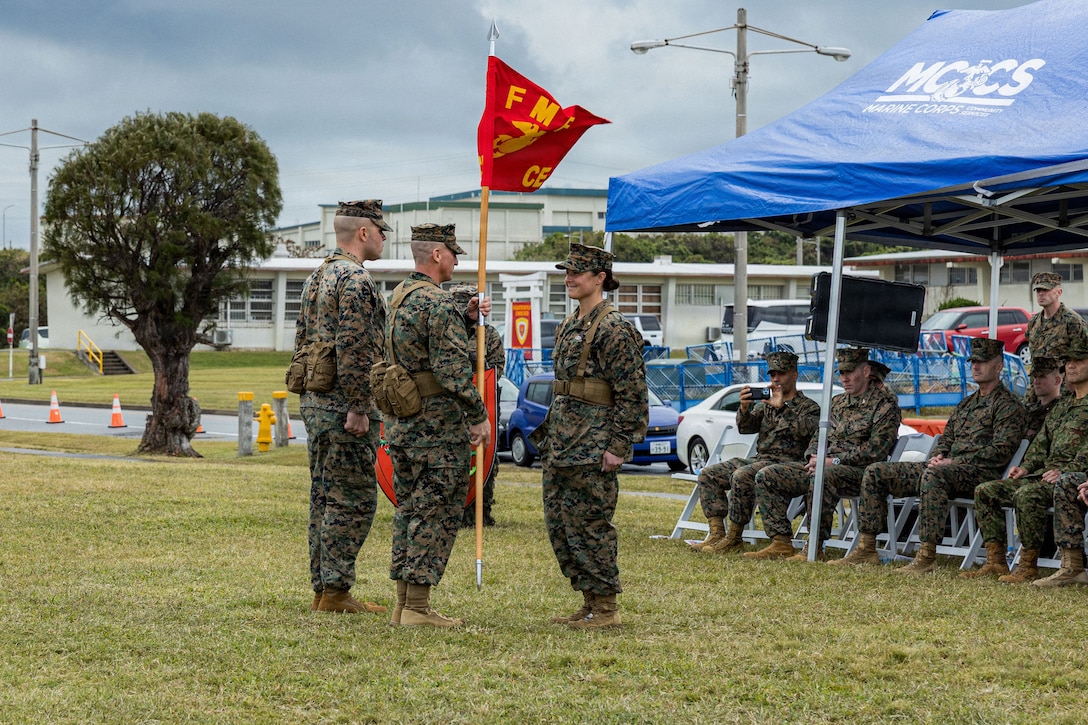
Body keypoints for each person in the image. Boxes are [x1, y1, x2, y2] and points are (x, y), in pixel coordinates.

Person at [833, 338, 1026, 573]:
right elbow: (946, 437)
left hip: (980, 472)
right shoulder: (966, 404)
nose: (976, 367)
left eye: (983, 362)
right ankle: (867, 547)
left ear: (998, 367)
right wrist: (938, 454)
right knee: (877, 472)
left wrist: (953, 461)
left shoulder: (1008, 406)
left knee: (934, 475)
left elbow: (1001, 450)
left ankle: (927, 556)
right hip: (948, 468)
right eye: (974, 361)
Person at [532, 242, 648, 629]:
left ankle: (606, 608)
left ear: (600, 278)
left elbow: (632, 393)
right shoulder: (569, 325)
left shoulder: (615, 328)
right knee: (562, 524)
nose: (569, 278)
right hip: (563, 442)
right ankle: (588, 601)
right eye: (567, 272)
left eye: (577, 272)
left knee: (591, 525)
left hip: (592, 444)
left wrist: (619, 445)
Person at [385, 223, 491, 628]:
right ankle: (418, 608)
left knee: (409, 511)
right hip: (437, 430)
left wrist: (460, 317)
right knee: (437, 514)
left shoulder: (400, 296)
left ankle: (402, 605)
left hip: (404, 426)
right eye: (453, 253)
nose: (458, 261)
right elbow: (451, 371)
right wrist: (477, 415)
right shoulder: (437, 303)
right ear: (436, 255)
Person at [296, 199, 391, 614]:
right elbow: (355, 348)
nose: (386, 238)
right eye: (382, 230)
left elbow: (303, 341)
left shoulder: (318, 276)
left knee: (323, 495)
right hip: (342, 407)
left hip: (317, 400)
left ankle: (324, 588)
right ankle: (335, 592)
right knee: (351, 498)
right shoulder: (355, 280)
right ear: (364, 232)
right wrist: (360, 405)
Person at [746, 348, 901, 561]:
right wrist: (812, 456)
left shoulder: (884, 406)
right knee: (767, 475)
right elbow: (819, 436)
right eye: (841, 373)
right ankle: (780, 541)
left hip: (860, 473)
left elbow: (876, 450)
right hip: (823, 465)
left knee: (824, 476)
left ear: (866, 372)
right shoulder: (837, 403)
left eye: (849, 372)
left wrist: (833, 461)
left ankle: (814, 547)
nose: (844, 378)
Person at [970, 336, 1088, 586]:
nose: (1071, 366)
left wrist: (1065, 470)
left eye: (1078, 360)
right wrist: (1025, 466)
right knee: (986, 491)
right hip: (1045, 474)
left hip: (1072, 477)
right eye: (1068, 361)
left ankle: (1028, 564)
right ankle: (996, 559)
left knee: (1028, 495)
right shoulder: (1064, 404)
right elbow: (1042, 441)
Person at [690, 350, 820, 554]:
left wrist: (783, 407)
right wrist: (744, 408)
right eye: (772, 374)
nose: (776, 378)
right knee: (708, 474)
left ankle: (735, 537)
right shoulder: (766, 405)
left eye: (782, 373)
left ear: (794, 375)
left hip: (789, 463)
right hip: (762, 459)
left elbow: (807, 430)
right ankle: (717, 533)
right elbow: (746, 427)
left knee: (743, 475)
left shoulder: (809, 407)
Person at [450, 283, 505, 529]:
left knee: (485, 462)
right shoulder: (449, 332)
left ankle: (481, 512)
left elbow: (496, 371)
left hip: (482, 406)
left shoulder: (489, 335)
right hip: (452, 410)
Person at [1024, 271, 1088, 404]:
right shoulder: (1034, 322)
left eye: (1046, 290)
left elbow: (1083, 359)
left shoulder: (1072, 322)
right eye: (1038, 290)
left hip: (1062, 394)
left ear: (1059, 292)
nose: (1041, 294)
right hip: (1036, 391)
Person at [1023, 356, 1069, 441]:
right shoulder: (1028, 409)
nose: (1036, 382)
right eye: (1035, 377)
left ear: (1057, 381)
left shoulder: (1063, 413)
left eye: (1042, 377)